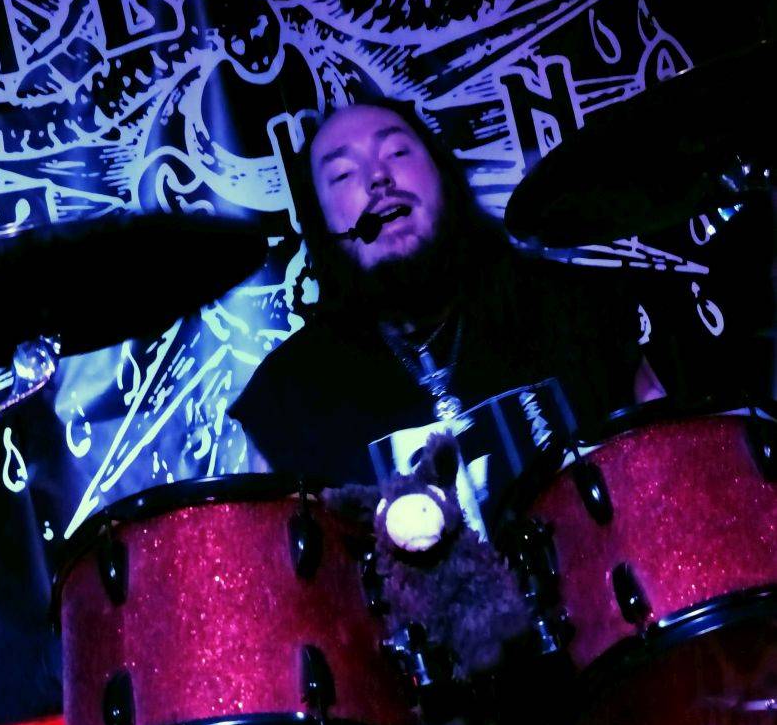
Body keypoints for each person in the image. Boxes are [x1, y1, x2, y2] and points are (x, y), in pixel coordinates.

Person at [231, 98, 659, 486]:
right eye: (342, 174)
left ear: (445, 176)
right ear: (321, 225)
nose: (378, 177)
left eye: (397, 152)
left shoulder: (578, 308)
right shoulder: (287, 397)